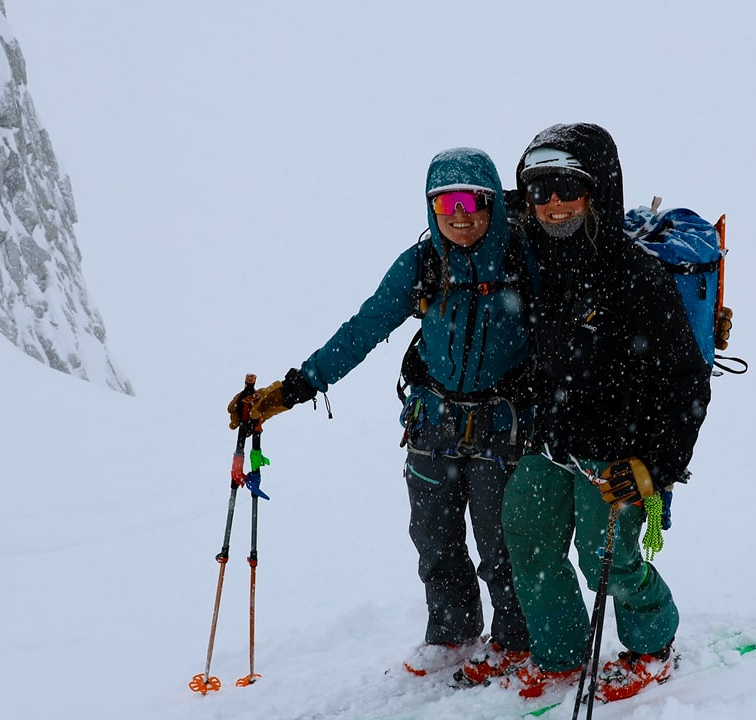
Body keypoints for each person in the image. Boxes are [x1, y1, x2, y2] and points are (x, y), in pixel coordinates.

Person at [226, 148, 535, 680]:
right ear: (431, 209)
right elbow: (364, 328)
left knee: (500, 540)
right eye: (445, 203)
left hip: (503, 428)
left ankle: (514, 640)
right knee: (434, 537)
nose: (459, 214)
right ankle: (454, 633)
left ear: (494, 203)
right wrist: (295, 388)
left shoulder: (523, 261)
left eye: (472, 200)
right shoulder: (421, 264)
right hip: (431, 424)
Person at [499, 123, 711, 702]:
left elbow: (687, 381)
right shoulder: (540, 265)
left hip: (619, 451)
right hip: (552, 441)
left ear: (598, 190)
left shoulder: (636, 276)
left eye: (566, 186)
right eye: (538, 192)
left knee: (608, 561)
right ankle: (562, 653)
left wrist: (655, 466)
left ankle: (651, 647)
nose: (552, 204)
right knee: (528, 535)